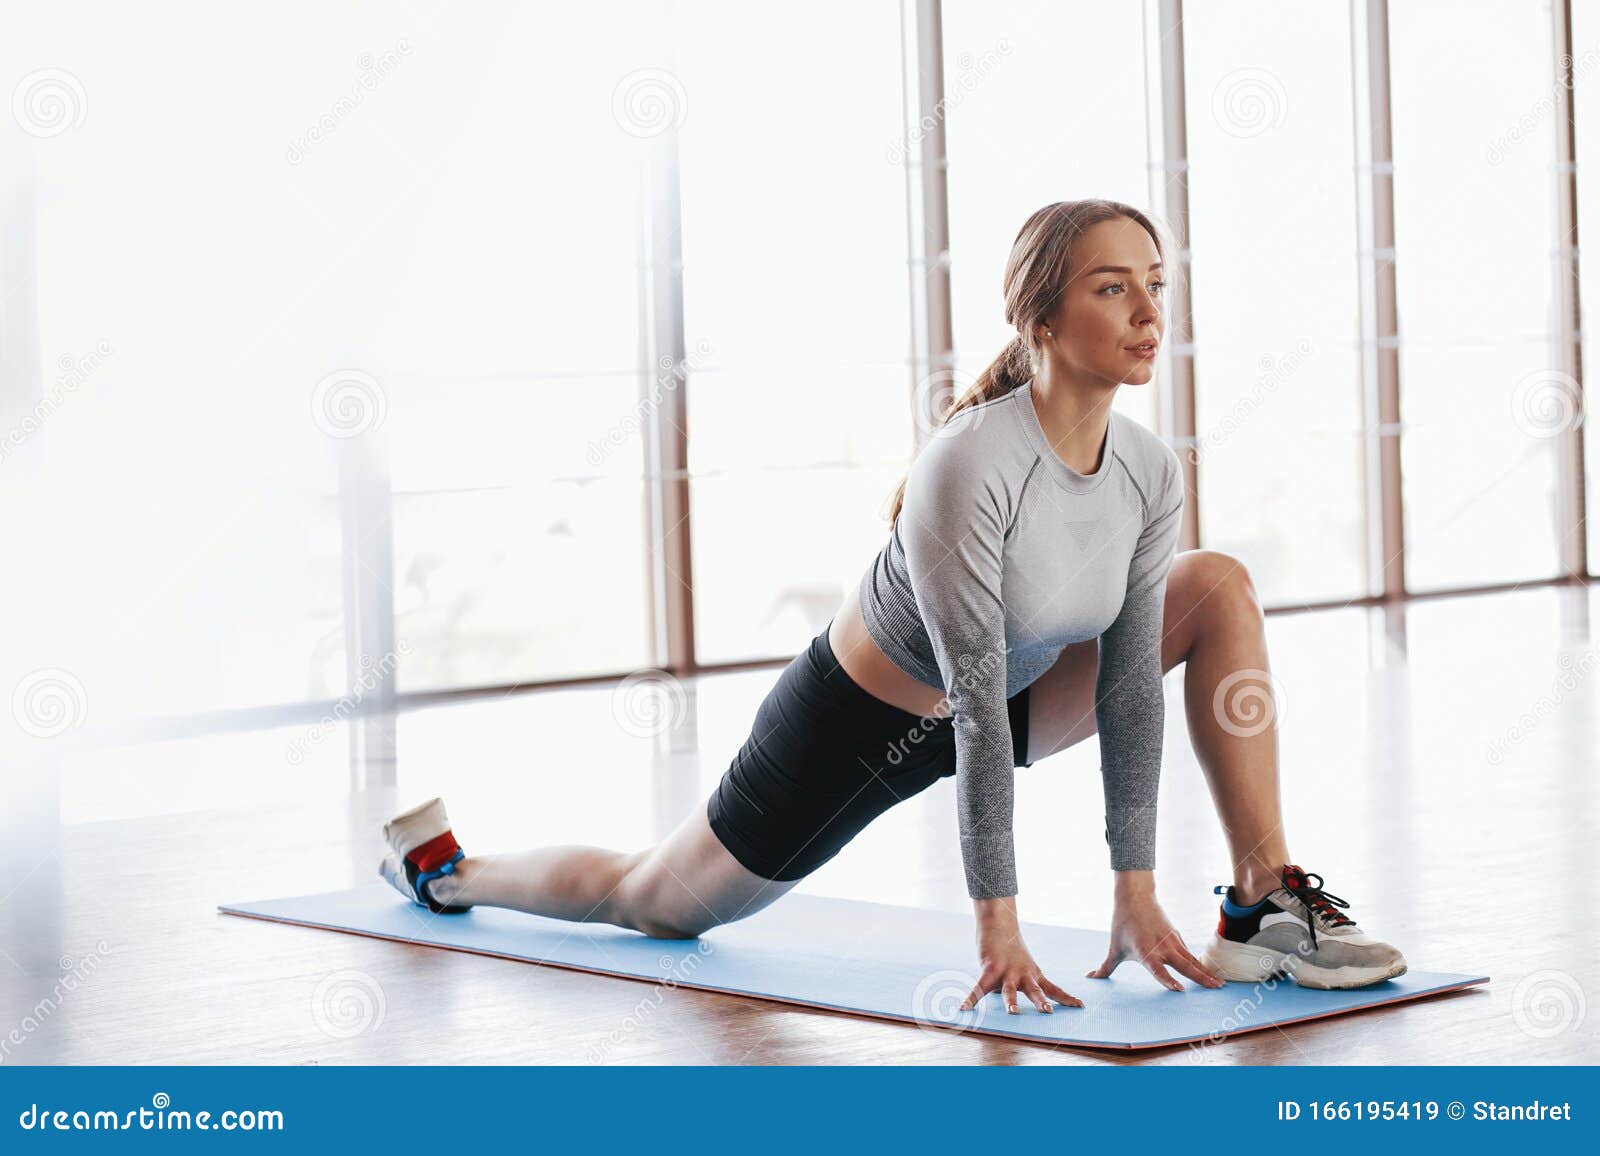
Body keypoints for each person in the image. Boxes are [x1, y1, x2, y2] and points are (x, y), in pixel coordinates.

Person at [380, 199, 1407, 1012]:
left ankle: (1261, 900)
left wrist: (1132, 883)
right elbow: (963, 707)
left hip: (1015, 698)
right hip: (856, 725)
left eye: (1155, 285)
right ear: (1041, 316)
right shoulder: (966, 464)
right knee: (652, 902)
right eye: (1112, 288)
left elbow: (1131, 684)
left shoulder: (1145, 467)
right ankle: (451, 873)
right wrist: (996, 923)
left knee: (1218, 581)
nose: (1150, 314)